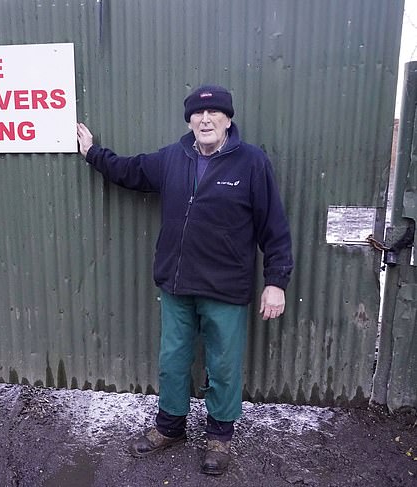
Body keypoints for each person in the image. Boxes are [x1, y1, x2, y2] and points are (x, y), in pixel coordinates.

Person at [76, 84, 293, 475]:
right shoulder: (173, 158)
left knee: (223, 365)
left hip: (225, 287)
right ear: (189, 120)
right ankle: (171, 427)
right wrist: (94, 153)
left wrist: (276, 280)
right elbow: (130, 170)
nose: (205, 120)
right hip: (177, 283)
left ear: (229, 119)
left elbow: (273, 226)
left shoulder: (251, 162)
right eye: (197, 114)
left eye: (214, 114)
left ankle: (219, 438)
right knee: (172, 360)